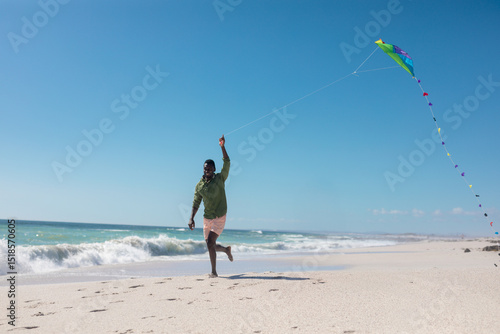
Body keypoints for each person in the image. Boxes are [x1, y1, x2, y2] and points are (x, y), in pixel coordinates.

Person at [189, 135, 233, 277]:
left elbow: (227, 162)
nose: (207, 170)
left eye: (209, 169)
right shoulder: (199, 185)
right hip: (207, 218)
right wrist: (191, 218)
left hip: (219, 215)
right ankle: (226, 250)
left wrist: (222, 147)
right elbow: (196, 202)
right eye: (205, 169)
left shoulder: (220, 178)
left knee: (210, 242)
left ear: (214, 169)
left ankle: (214, 272)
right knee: (210, 245)